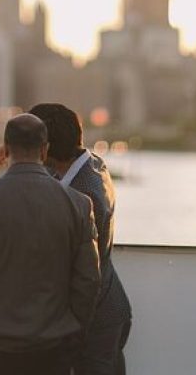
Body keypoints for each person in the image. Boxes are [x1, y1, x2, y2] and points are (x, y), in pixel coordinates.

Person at [0, 113, 101, 375]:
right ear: (44, 151)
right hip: (53, 349)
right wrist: (73, 333)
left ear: (7, 148)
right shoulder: (78, 204)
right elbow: (88, 280)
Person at [29, 103, 132, 375]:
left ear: (45, 148)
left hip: (97, 318)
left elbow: (82, 272)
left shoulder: (85, 195)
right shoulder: (89, 164)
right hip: (106, 305)